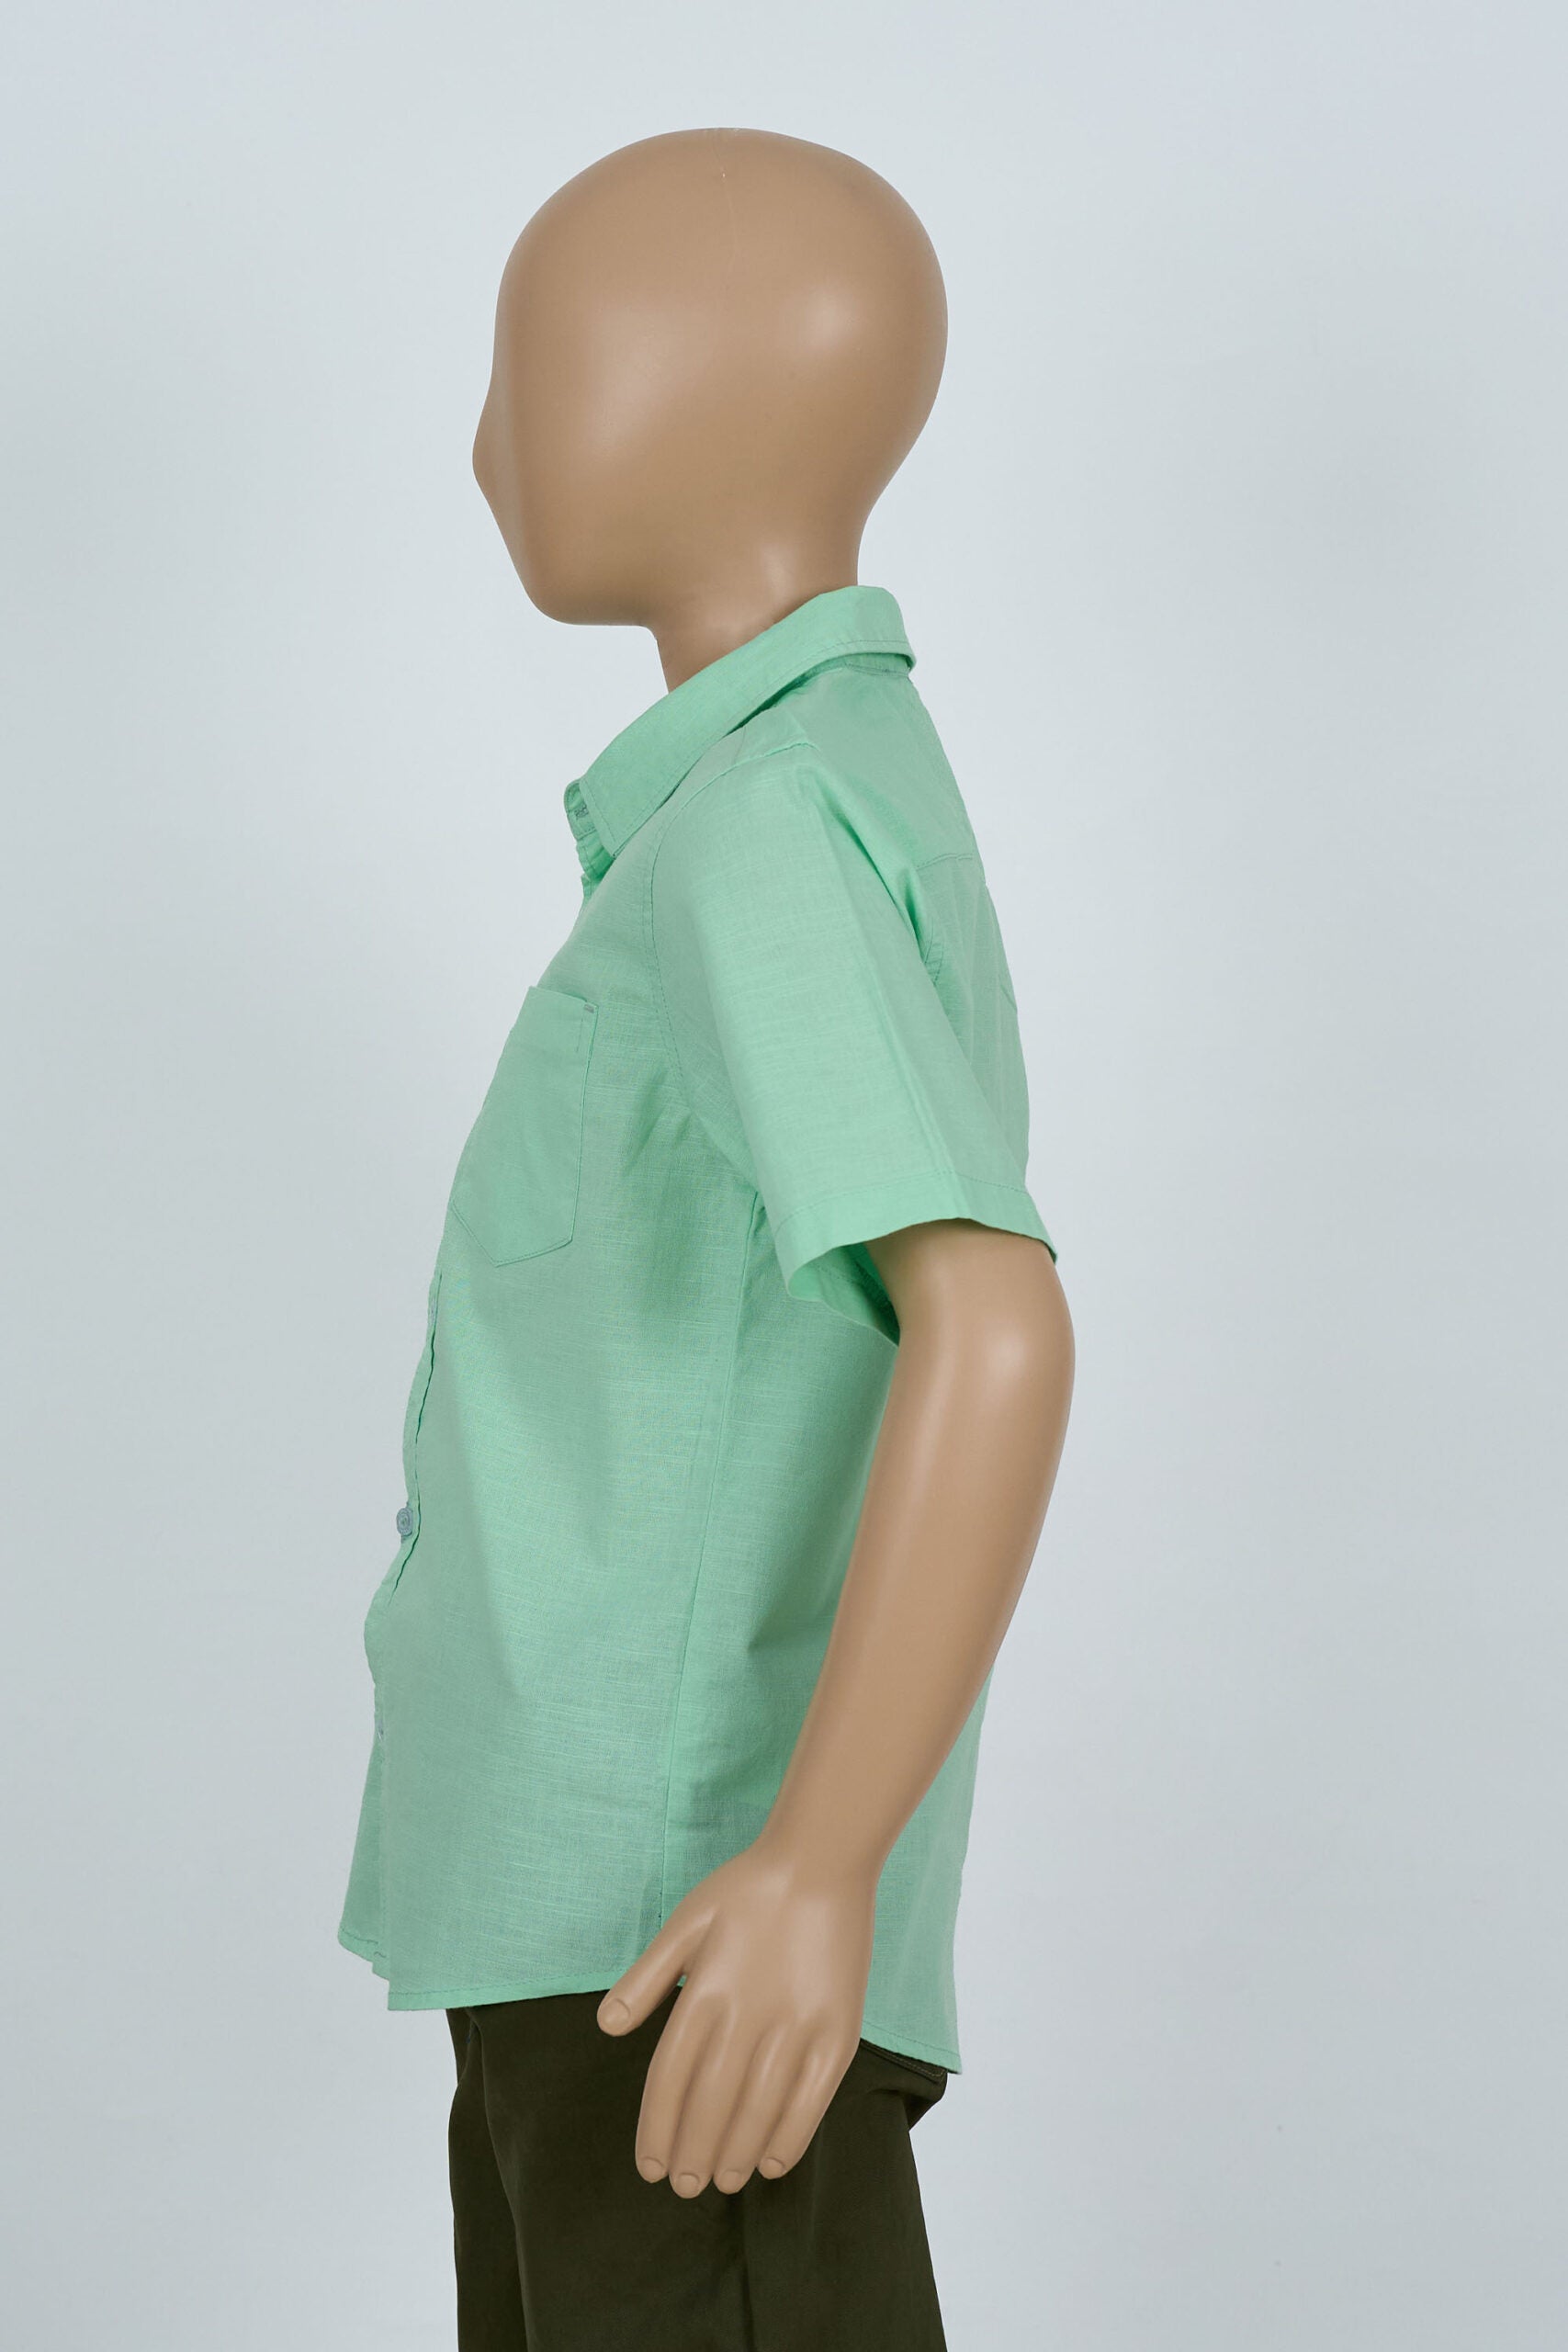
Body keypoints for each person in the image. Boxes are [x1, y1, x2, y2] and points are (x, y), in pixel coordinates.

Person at [339, 126, 1076, 2351]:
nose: (484, 438)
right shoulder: (779, 804)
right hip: (601, 1920)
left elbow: (991, 1320)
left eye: (525, 364)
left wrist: (814, 1867)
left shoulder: (764, 829)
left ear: (671, 388)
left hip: (678, 1934)